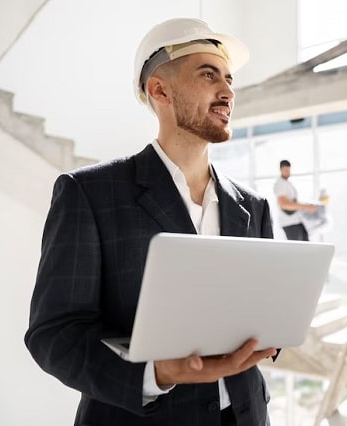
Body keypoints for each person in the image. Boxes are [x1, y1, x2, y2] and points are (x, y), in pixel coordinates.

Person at [24, 18, 278, 425]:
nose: (228, 92)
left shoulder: (254, 206)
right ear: (160, 90)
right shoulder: (88, 193)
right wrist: (154, 374)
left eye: (229, 79)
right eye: (208, 75)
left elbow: (268, 317)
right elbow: (55, 335)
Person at [273, 159, 316, 240]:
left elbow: (293, 201)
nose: (288, 172)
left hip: (296, 221)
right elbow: (284, 204)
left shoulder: (287, 183)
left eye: (289, 170)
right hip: (289, 223)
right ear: (280, 170)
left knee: (306, 247)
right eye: (285, 170)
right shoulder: (280, 184)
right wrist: (305, 206)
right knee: (298, 250)